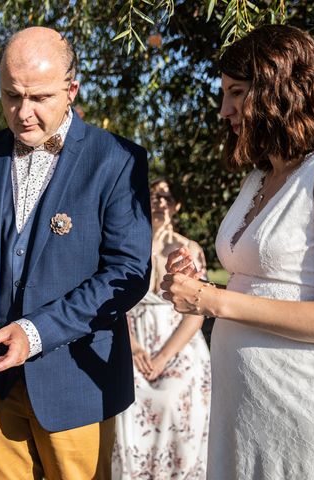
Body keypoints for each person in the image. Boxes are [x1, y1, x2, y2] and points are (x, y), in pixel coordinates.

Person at [0, 26, 152, 479]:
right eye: (11, 96)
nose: (23, 112)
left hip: (76, 382)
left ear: (71, 90)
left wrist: (36, 331)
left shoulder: (117, 160)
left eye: (39, 97)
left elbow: (128, 271)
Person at [161, 24, 314, 479]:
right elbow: (264, 279)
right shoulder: (259, 177)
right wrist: (198, 282)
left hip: (308, 412)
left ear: (278, 88)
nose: (224, 111)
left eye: (236, 93)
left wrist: (212, 301)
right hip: (246, 415)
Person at [112, 179, 211, 479]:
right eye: (154, 195)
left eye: (166, 197)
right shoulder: (127, 246)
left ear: (176, 205)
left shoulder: (188, 249)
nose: (160, 202)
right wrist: (133, 346)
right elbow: (113, 302)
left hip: (176, 343)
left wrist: (164, 357)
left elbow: (197, 312)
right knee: (125, 401)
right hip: (132, 339)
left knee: (173, 398)